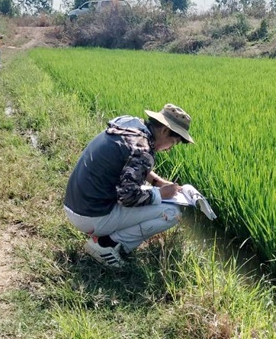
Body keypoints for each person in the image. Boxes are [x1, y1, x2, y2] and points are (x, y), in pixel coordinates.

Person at [64, 103, 195, 268]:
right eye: (173, 142)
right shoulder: (142, 149)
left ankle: (106, 235)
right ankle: (106, 245)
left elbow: (128, 163)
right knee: (172, 212)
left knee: (152, 194)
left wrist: (158, 182)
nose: (169, 149)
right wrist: (162, 194)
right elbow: (128, 197)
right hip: (90, 216)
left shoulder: (128, 127)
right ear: (164, 131)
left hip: (75, 205)